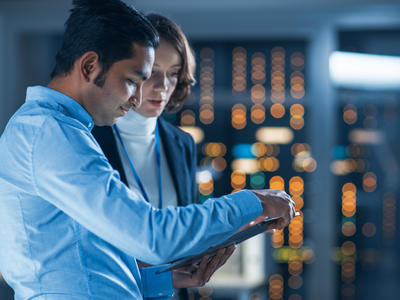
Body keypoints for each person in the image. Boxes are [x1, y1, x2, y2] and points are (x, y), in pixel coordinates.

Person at [0, 1, 296, 300]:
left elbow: (83, 269)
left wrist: (162, 280)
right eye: (132, 81)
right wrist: (252, 201)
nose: (138, 99)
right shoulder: (49, 133)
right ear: (90, 66)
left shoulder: (64, 132)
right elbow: (153, 236)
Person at [91, 14, 214, 299]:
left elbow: (185, 229)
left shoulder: (181, 143)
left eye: (173, 73)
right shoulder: (91, 138)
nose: (162, 86)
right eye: (151, 72)